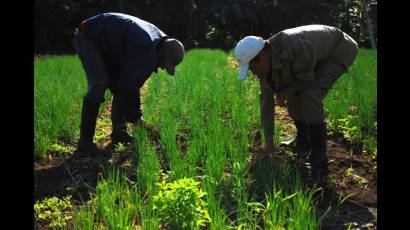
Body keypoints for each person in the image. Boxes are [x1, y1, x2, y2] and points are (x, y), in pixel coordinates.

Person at [234, 25, 358, 171]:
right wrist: (268, 140)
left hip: (338, 50)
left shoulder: (294, 46)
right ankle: (303, 139)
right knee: (293, 93)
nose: (252, 73)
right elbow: (266, 101)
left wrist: (283, 93)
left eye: (251, 68)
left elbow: (306, 80)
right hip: (313, 56)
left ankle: (319, 153)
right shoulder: (265, 68)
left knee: (309, 94)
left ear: (263, 56)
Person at [73, 12, 185, 155]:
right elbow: (129, 86)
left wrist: (135, 115)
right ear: (162, 53)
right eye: (164, 63)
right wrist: (136, 119)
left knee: (120, 83)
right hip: (88, 37)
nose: (162, 67)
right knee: (100, 82)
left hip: (111, 46)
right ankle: (85, 143)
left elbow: (131, 83)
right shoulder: (145, 47)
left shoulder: (160, 42)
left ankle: (119, 133)